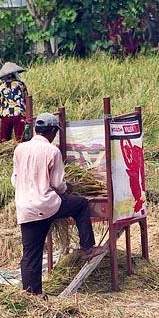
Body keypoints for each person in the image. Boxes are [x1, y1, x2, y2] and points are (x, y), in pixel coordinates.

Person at [11, 113, 106, 295]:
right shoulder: (52, 151)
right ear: (53, 132)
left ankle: (32, 295)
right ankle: (88, 247)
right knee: (80, 205)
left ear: (38, 130)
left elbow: (14, 180)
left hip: (25, 208)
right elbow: (58, 185)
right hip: (46, 206)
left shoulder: (20, 149)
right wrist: (68, 187)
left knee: (30, 255)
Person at [0, 62, 29, 143]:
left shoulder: (0, 86)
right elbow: (26, 98)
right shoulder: (20, 84)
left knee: (4, 138)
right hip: (19, 113)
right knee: (20, 138)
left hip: (5, 114)